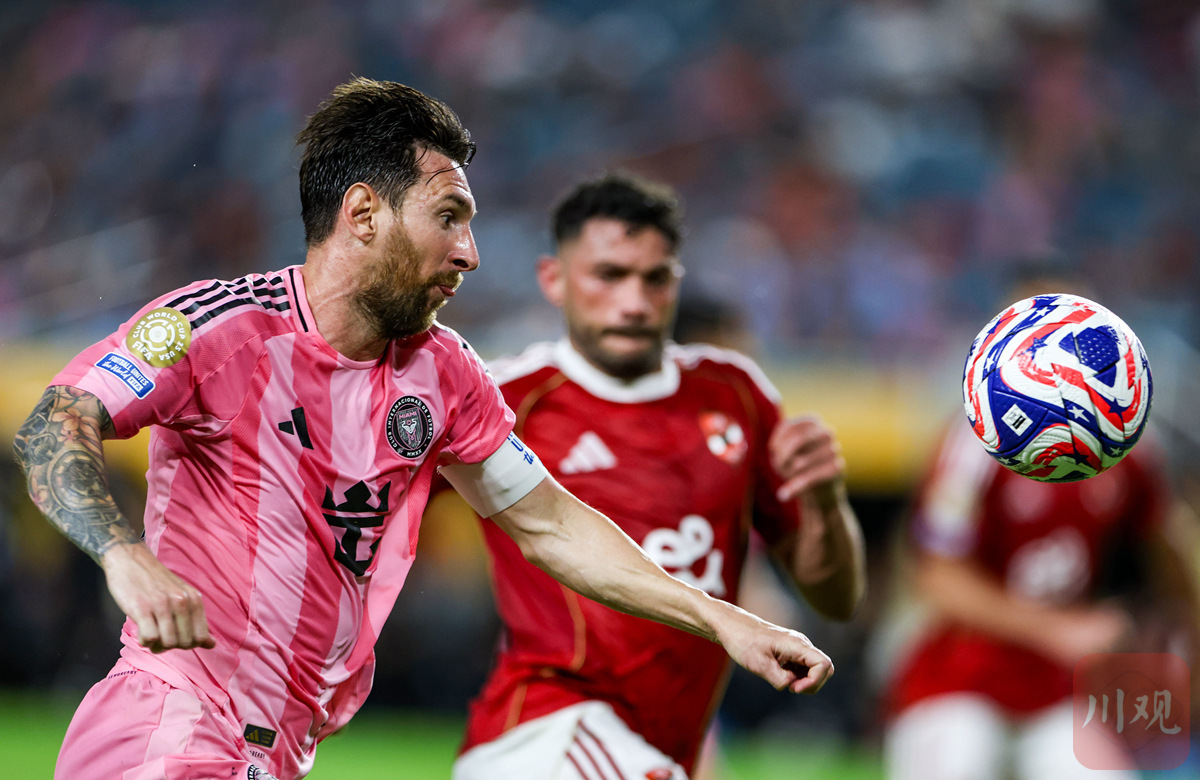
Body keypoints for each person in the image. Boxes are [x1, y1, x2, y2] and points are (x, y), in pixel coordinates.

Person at [13, 79, 837, 780]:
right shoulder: (219, 329)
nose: (470, 252)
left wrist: (723, 619)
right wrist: (125, 555)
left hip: (279, 749)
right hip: (171, 726)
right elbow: (54, 424)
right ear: (363, 213)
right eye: (449, 216)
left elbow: (551, 524)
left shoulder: (443, 373)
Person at [451, 173, 867, 779]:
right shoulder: (509, 398)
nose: (634, 302)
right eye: (609, 275)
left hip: (670, 744)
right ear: (554, 279)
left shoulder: (736, 393)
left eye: (655, 278)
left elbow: (836, 597)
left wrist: (826, 503)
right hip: (547, 732)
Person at [882, 403, 1199, 779]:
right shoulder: (977, 437)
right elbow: (936, 574)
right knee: (961, 759)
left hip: (1056, 691)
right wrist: (1058, 629)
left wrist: (1187, 640)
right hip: (955, 682)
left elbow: (1166, 545)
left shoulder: (1131, 443)